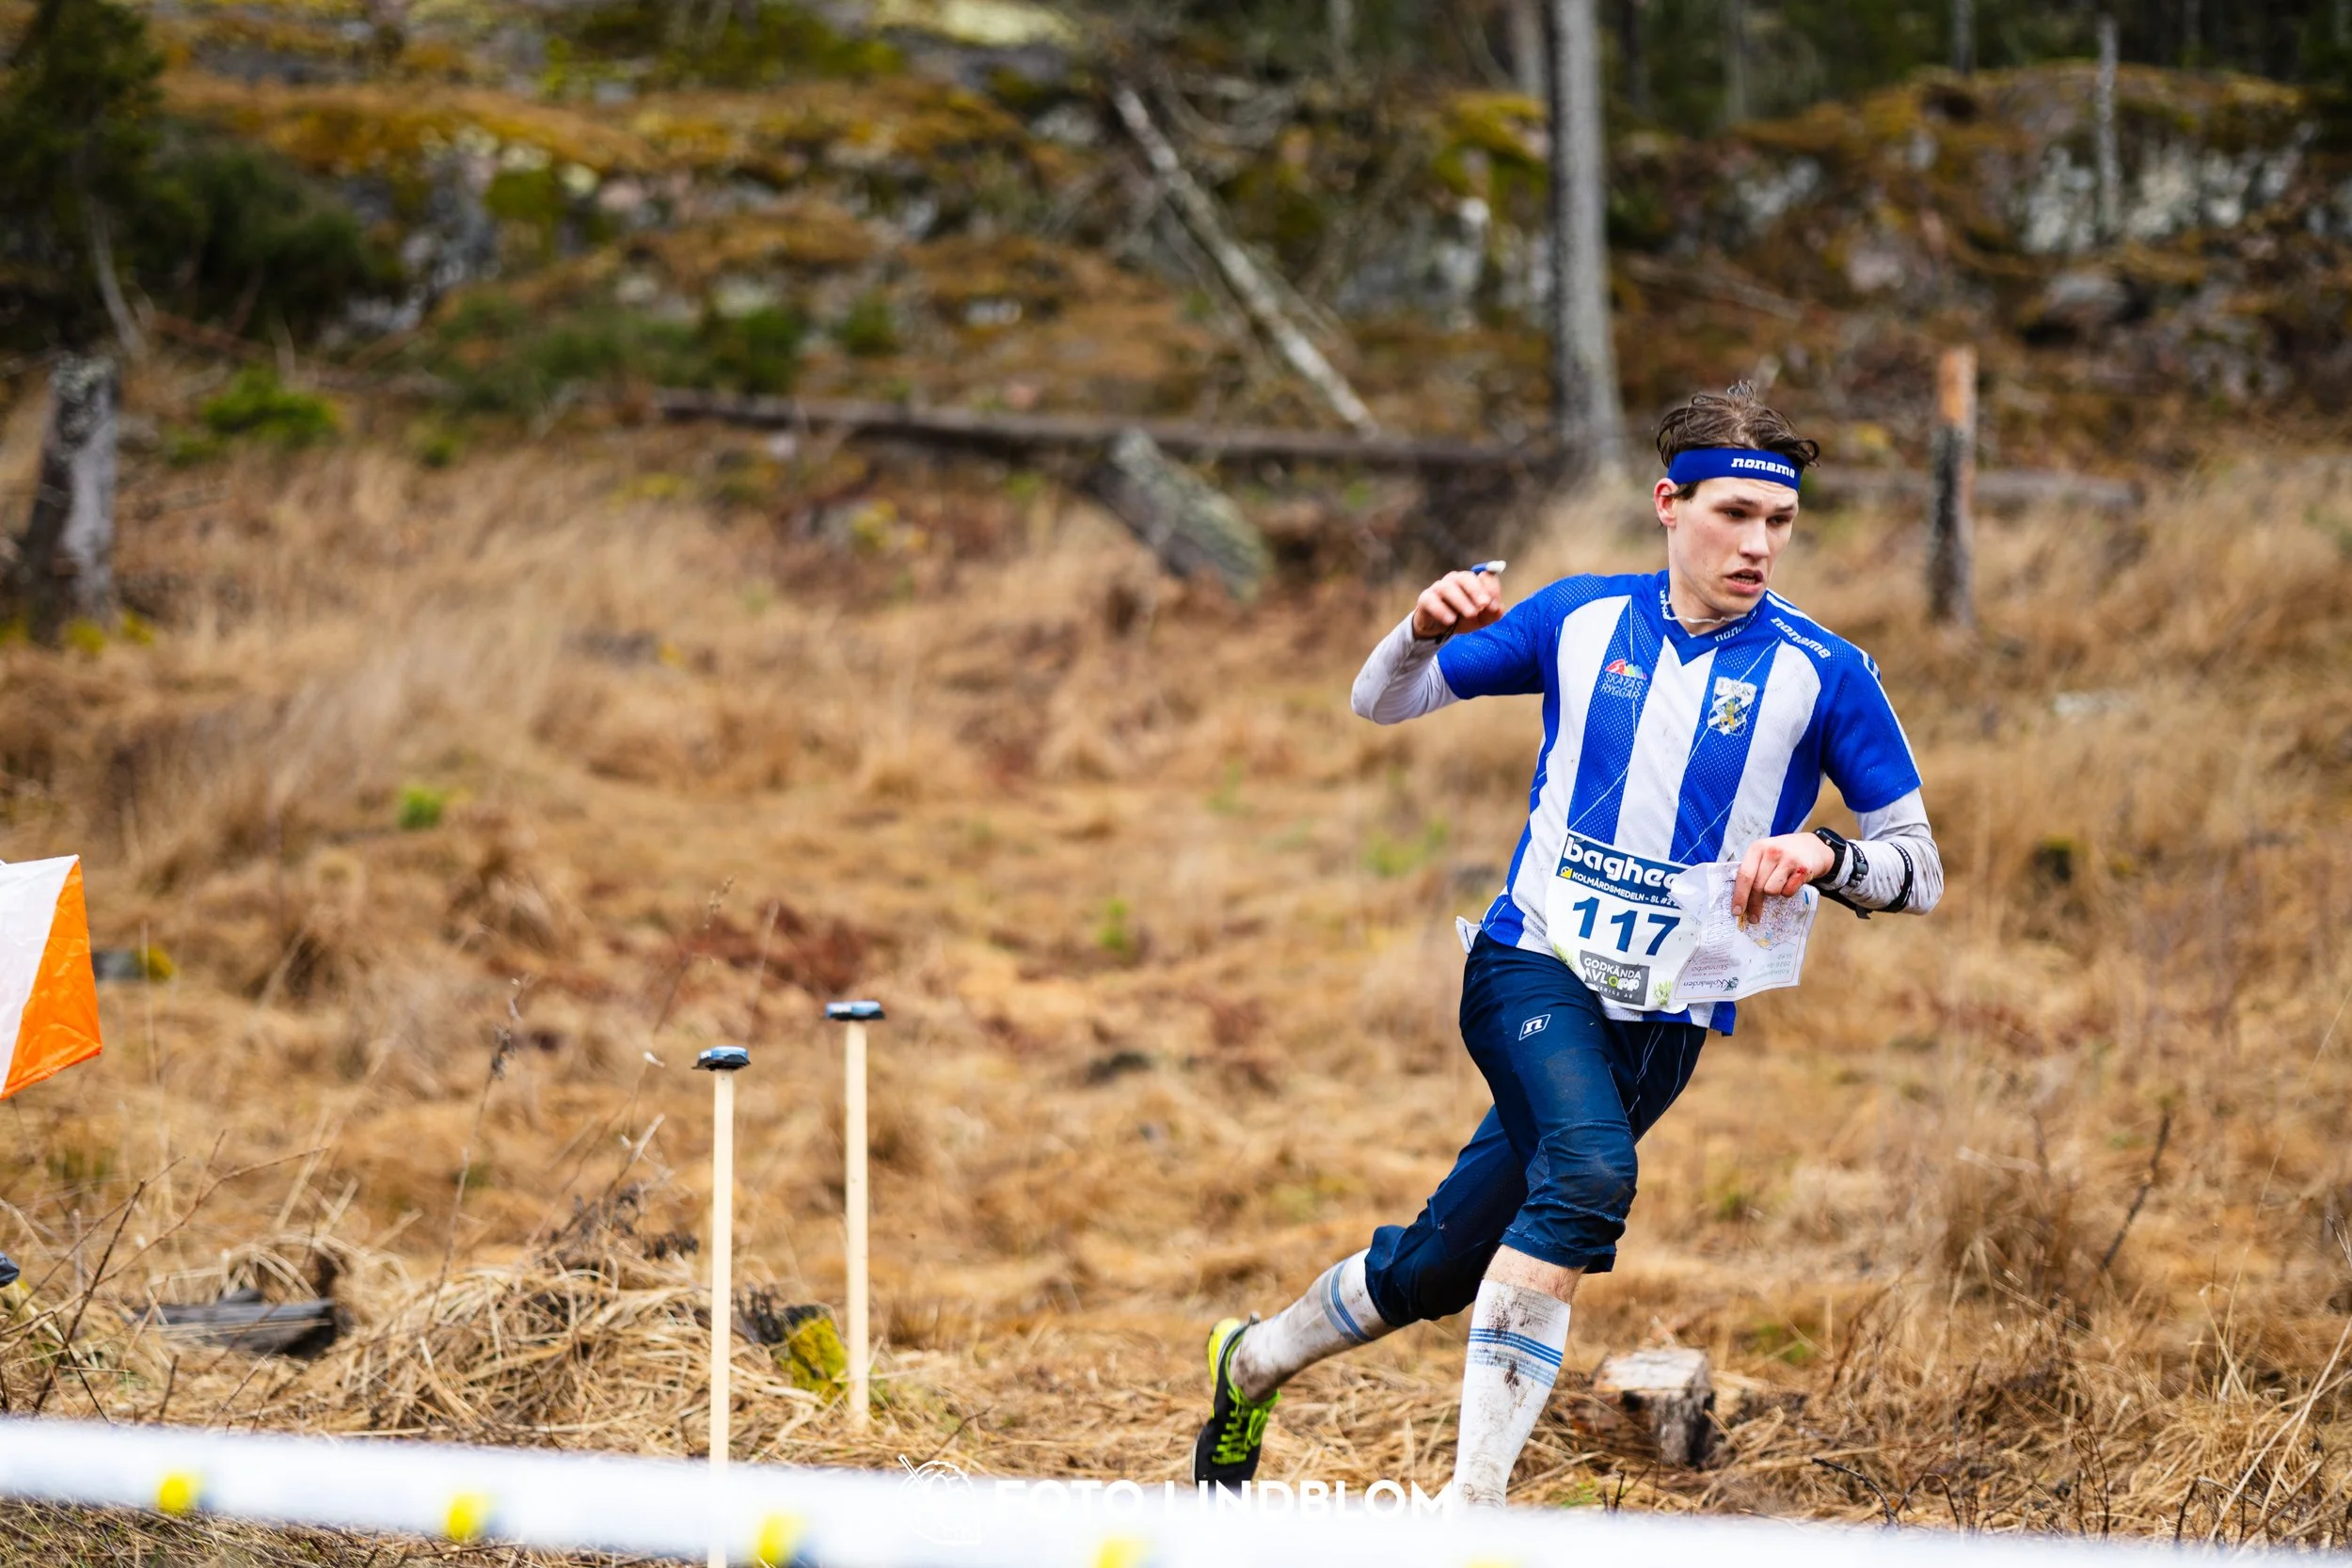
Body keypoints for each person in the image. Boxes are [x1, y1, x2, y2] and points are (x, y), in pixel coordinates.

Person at [1189, 384, 1944, 1507]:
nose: (1758, 544)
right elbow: (1376, 700)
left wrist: (1828, 858)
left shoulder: (1824, 672)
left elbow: (1919, 868)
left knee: (1440, 1263)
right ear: (1667, 504)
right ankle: (1473, 1513)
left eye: (1778, 523)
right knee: (1589, 1173)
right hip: (1527, 964)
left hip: (1666, 1022)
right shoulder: (1580, 619)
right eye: (1733, 514)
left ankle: (1248, 1360)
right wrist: (1419, 629)